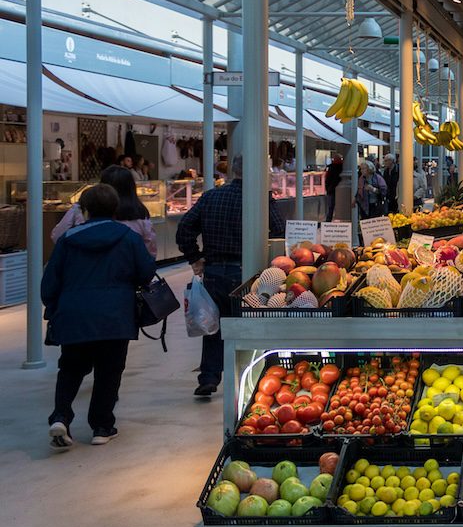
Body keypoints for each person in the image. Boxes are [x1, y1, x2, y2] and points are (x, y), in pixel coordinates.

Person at [42, 184, 156, 449]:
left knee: (70, 368)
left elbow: (49, 283)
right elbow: (146, 272)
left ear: (85, 210)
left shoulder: (68, 239)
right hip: (115, 315)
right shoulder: (127, 237)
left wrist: (54, 305)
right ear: (115, 209)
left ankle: (61, 416)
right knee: (109, 371)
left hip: (74, 314)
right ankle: (102, 426)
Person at [177, 154, 285, 397]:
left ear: (233, 172)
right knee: (249, 324)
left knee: (215, 324)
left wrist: (195, 257)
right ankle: (251, 375)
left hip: (215, 272)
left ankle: (209, 377)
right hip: (248, 274)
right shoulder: (260, 200)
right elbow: (280, 230)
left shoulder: (211, 196)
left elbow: (184, 228)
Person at [324, 154, 343, 222]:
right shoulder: (342, 167)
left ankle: (328, 220)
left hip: (331, 189)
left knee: (330, 206)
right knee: (337, 206)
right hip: (337, 189)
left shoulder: (331, 167)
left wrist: (327, 188)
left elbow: (327, 179)